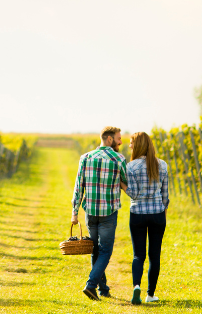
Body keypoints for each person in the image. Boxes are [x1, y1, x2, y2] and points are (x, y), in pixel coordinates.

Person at [70, 126, 128, 301]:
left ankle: (103, 289)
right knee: (105, 252)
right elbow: (127, 184)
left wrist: (74, 212)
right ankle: (90, 285)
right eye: (119, 138)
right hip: (108, 213)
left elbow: (79, 186)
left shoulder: (85, 158)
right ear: (109, 139)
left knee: (95, 250)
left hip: (91, 212)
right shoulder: (119, 159)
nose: (120, 141)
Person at [123, 131, 169, 305]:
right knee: (154, 256)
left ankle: (136, 287)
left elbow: (133, 194)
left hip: (138, 215)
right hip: (158, 214)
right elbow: (165, 195)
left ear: (138, 145)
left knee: (138, 255)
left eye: (131, 142)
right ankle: (150, 295)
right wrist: (162, 213)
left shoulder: (131, 167)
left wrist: (122, 185)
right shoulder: (162, 165)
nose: (129, 146)